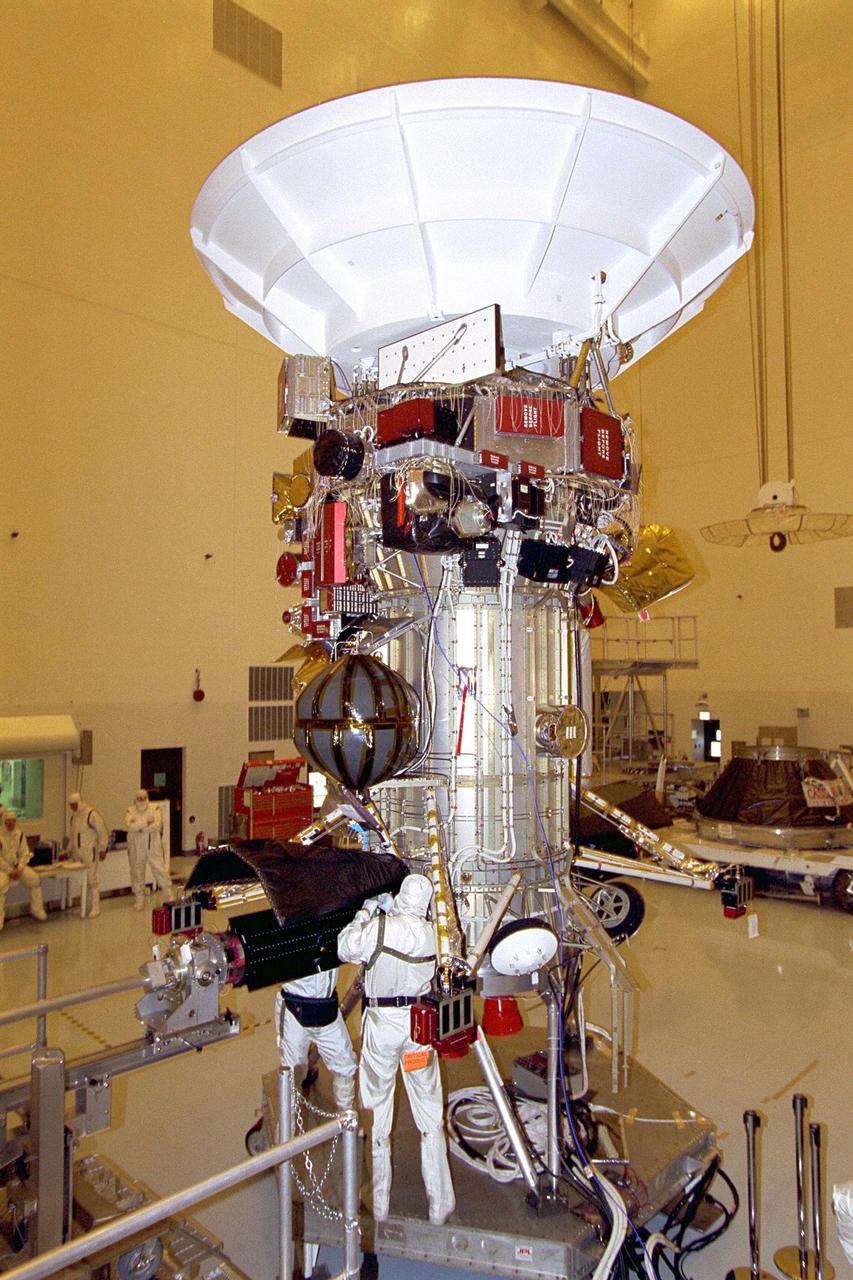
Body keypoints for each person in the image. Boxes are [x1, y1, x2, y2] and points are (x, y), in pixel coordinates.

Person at [337, 874, 455, 1226]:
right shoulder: (436, 935)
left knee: (377, 1110)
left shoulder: (380, 928)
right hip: (418, 1029)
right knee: (430, 1112)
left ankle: (381, 1200)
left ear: (401, 897)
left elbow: (345, 947)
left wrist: (367, 913)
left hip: (381, 1027)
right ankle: (440, 1203)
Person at [274, 966, 358, 1111]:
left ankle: (347, 1126)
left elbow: (349, 950)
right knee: (291, 1078)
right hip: (294, 1010)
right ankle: (287, 1131)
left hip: (327, 1008)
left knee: (345, 1066)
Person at [124, 789, 171, 909]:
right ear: (135, 799)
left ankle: (168, 896)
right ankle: (139, 899)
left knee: (160, 870)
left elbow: (157, 825)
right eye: (139, 798)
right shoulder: (131, 810)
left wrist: (139, 826)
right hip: (136, 846)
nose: (141, 801)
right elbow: (130, 826)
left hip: (153, 846)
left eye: (143, 798)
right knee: (137, 872)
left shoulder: (154, 808)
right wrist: (146, 823)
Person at [0, 811, 47, 929]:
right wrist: (10, 870)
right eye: (8, 822)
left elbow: (24, 854)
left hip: (17, 868)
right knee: (0, 886)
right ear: (4, 822)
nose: (11, 824)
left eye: (13, 821)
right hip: (3, 869)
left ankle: (37, 909)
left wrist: (19, 868)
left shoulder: (19, 835)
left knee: (34, 879)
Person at [68, 792, 109, 918]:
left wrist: (103, 848)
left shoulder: (91, 815)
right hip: (78, 854)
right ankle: (84, 906)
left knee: (92, 880)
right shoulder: (74, 817)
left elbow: (102, 831)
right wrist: (67, 850)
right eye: (71, 805)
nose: (73, 807)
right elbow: (73, 836)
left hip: (89, 852)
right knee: (82, 881)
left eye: (75, 804)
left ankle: (96, 907)